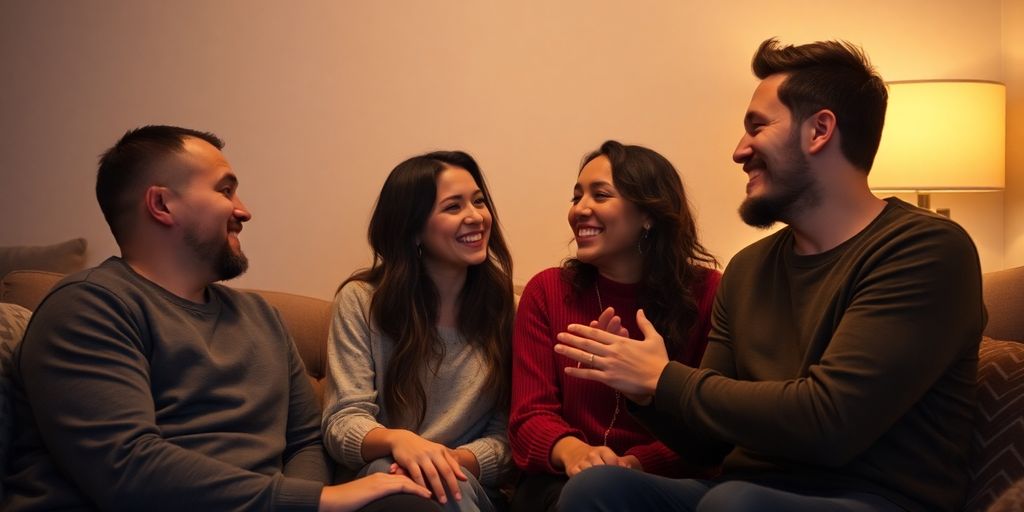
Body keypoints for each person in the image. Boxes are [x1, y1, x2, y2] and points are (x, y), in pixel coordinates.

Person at [555, 39, 986, 512]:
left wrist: (666, 378)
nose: (739, 151)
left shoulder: (924, 250)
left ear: (819, 130)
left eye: (757, 128)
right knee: (598, 489)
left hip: (874, 498)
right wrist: (643, 390)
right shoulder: (748, 269)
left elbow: (829, 423)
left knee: (734, 504)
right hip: (742, 494)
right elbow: (706, 445)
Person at [3, 125, 434, 512]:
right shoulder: (90, 307)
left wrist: (299, 504)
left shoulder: (261, 318)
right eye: (225, 191)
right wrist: (312, 501)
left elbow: (305, 440)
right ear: (161, 204)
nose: (243, 211)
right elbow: (126, 468)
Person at [508, 140, 721, 512]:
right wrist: (575, 452)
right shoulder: (547, 291)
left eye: (601, 195)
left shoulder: (708, 292)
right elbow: (529, 417)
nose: (580, 209)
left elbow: (711, 424)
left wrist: (636, 463)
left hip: (667, 482)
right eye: (576, 197)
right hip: (561, 481)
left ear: (648, 214)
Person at [321, 151, 515, 512]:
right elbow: (343, 422)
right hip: (383, 479)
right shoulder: (362, 301)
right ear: (412, 229)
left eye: (478, 201)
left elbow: (508, 437)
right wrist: (399, 442)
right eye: (453, 207)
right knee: (404, 481)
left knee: (442, 484)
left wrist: (446, 462)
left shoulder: (507, 309)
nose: (476, 216)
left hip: (469, 485)